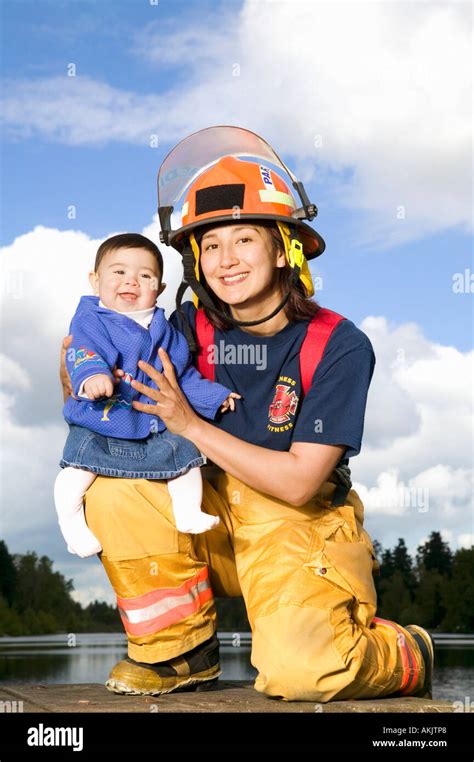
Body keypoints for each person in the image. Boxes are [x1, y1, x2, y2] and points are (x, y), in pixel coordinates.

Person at [59, 127, 434, 702]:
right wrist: (83, 362)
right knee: (112, 490)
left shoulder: (338, 344)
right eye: (210, 245)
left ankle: (402, 652)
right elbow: (92, 373)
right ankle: (181, 652)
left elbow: (301, 480)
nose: (225, 260)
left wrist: (190, 424)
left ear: (286, 247)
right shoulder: (184, 328)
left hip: (296, 520)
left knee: (304, 675)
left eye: (244, 240)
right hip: (208, 510)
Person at [55, 232, 241, 557]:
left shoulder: (165, 330)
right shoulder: (90, 319)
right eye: (119, 272)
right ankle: (71, 525)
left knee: (185, 457)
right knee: (77, 470)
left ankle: (187, 512)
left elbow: (180, 375)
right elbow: (82, 351)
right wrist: (93, 375)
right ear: (95, 281)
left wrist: (213, 396)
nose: (131, 282)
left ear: (160, 288)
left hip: (149, 423)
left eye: (145, 275)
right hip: (103, 418)